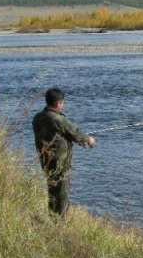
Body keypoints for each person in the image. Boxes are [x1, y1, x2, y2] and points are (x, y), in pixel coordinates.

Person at [32, 88, 96, 217]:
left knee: (51, 190)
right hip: (60, 163)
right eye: (63, 102)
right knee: (62, 194)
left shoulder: (37, 117)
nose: (63, 104)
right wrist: (89, 139)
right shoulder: (58, 119)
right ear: (58, 103)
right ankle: (59, 224)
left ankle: (52, 217)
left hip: (45, 160)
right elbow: (76, 134)